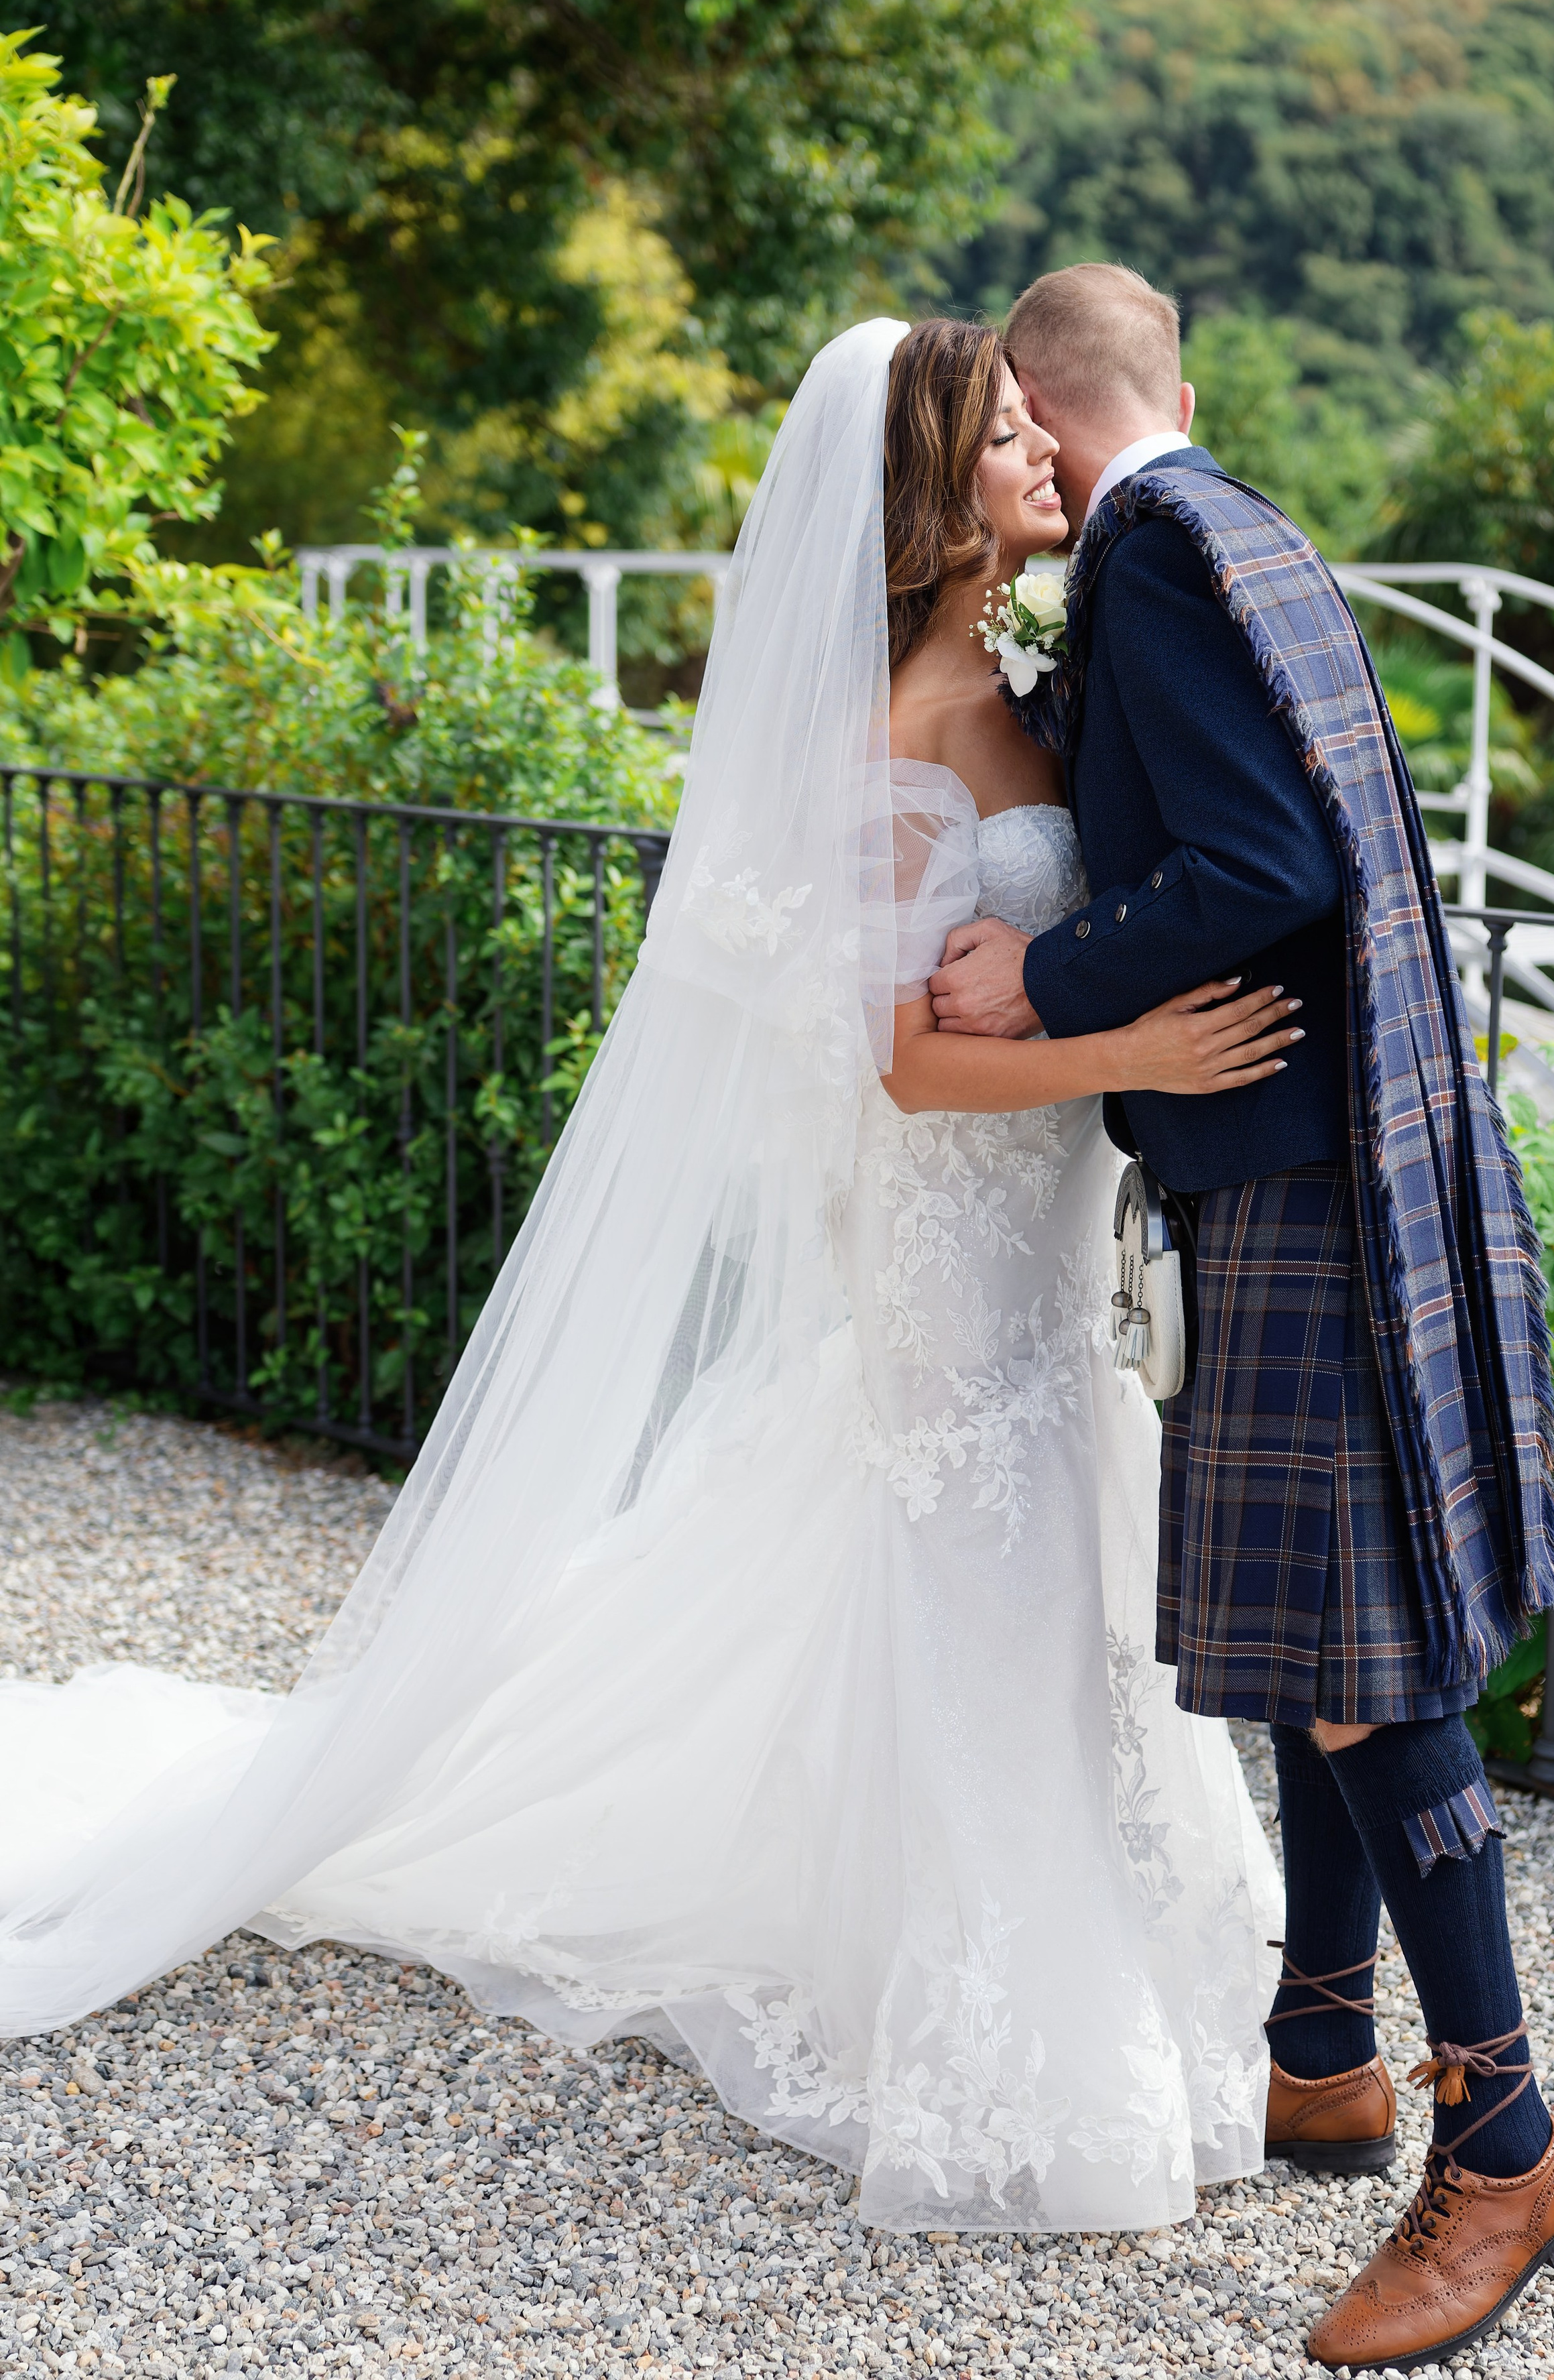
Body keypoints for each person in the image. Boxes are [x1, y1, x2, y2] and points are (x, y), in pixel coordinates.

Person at [0, 314, 1293, 2235]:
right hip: (948, 1253)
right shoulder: (889, 744)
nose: (1047, 454)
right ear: (934, 488)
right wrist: (1134, 1057)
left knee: (1070, 1592)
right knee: (988, 1580)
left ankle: (1130, 1957)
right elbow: (902, 1060)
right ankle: (1002, 2024)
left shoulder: (1032, 681)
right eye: (1010, 432)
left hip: (1040, 1245)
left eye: (1046, 424)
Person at [928, 261, 1554, 2362]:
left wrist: (1053, 974)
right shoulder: (1246, 523)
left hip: (1297, 1177)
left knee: (1365, 1677)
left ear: (1038, 403)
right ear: (1176, 385)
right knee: (1320, 1645)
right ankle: (1323, 2047)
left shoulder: (1164, 561)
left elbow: (1263, 859)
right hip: (1323, 1161)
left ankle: (1503, 2157)